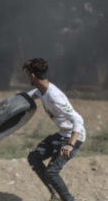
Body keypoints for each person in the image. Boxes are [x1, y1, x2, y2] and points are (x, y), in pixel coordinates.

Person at [23, 58, 86, 201]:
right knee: (34, 157)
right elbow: (28, 97)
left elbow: (78, 119)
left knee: (52, 172)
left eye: (27, 75)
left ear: (32, 75)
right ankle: (55, 193)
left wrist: (70, 144)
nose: (27, 78)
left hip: (73, 137)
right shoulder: (41, 90)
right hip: (62, 134)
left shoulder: (54, 96)